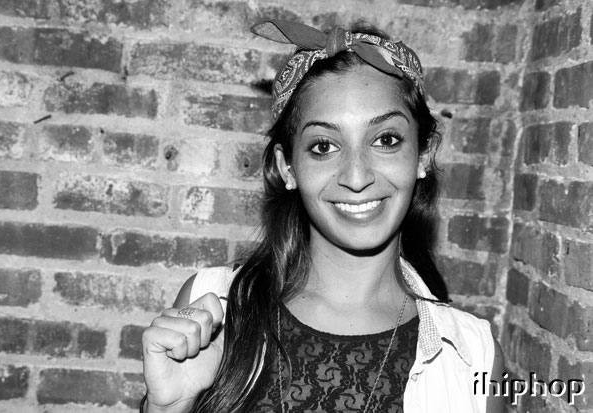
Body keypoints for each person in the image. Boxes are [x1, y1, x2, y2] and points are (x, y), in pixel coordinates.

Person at [141, 19, 505, 413]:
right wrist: (168, 408)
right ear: (287, 167)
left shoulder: (473, 357)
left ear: (423, 156)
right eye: (323, 146)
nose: (357, 177)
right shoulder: (213, 310)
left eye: (386, 140)